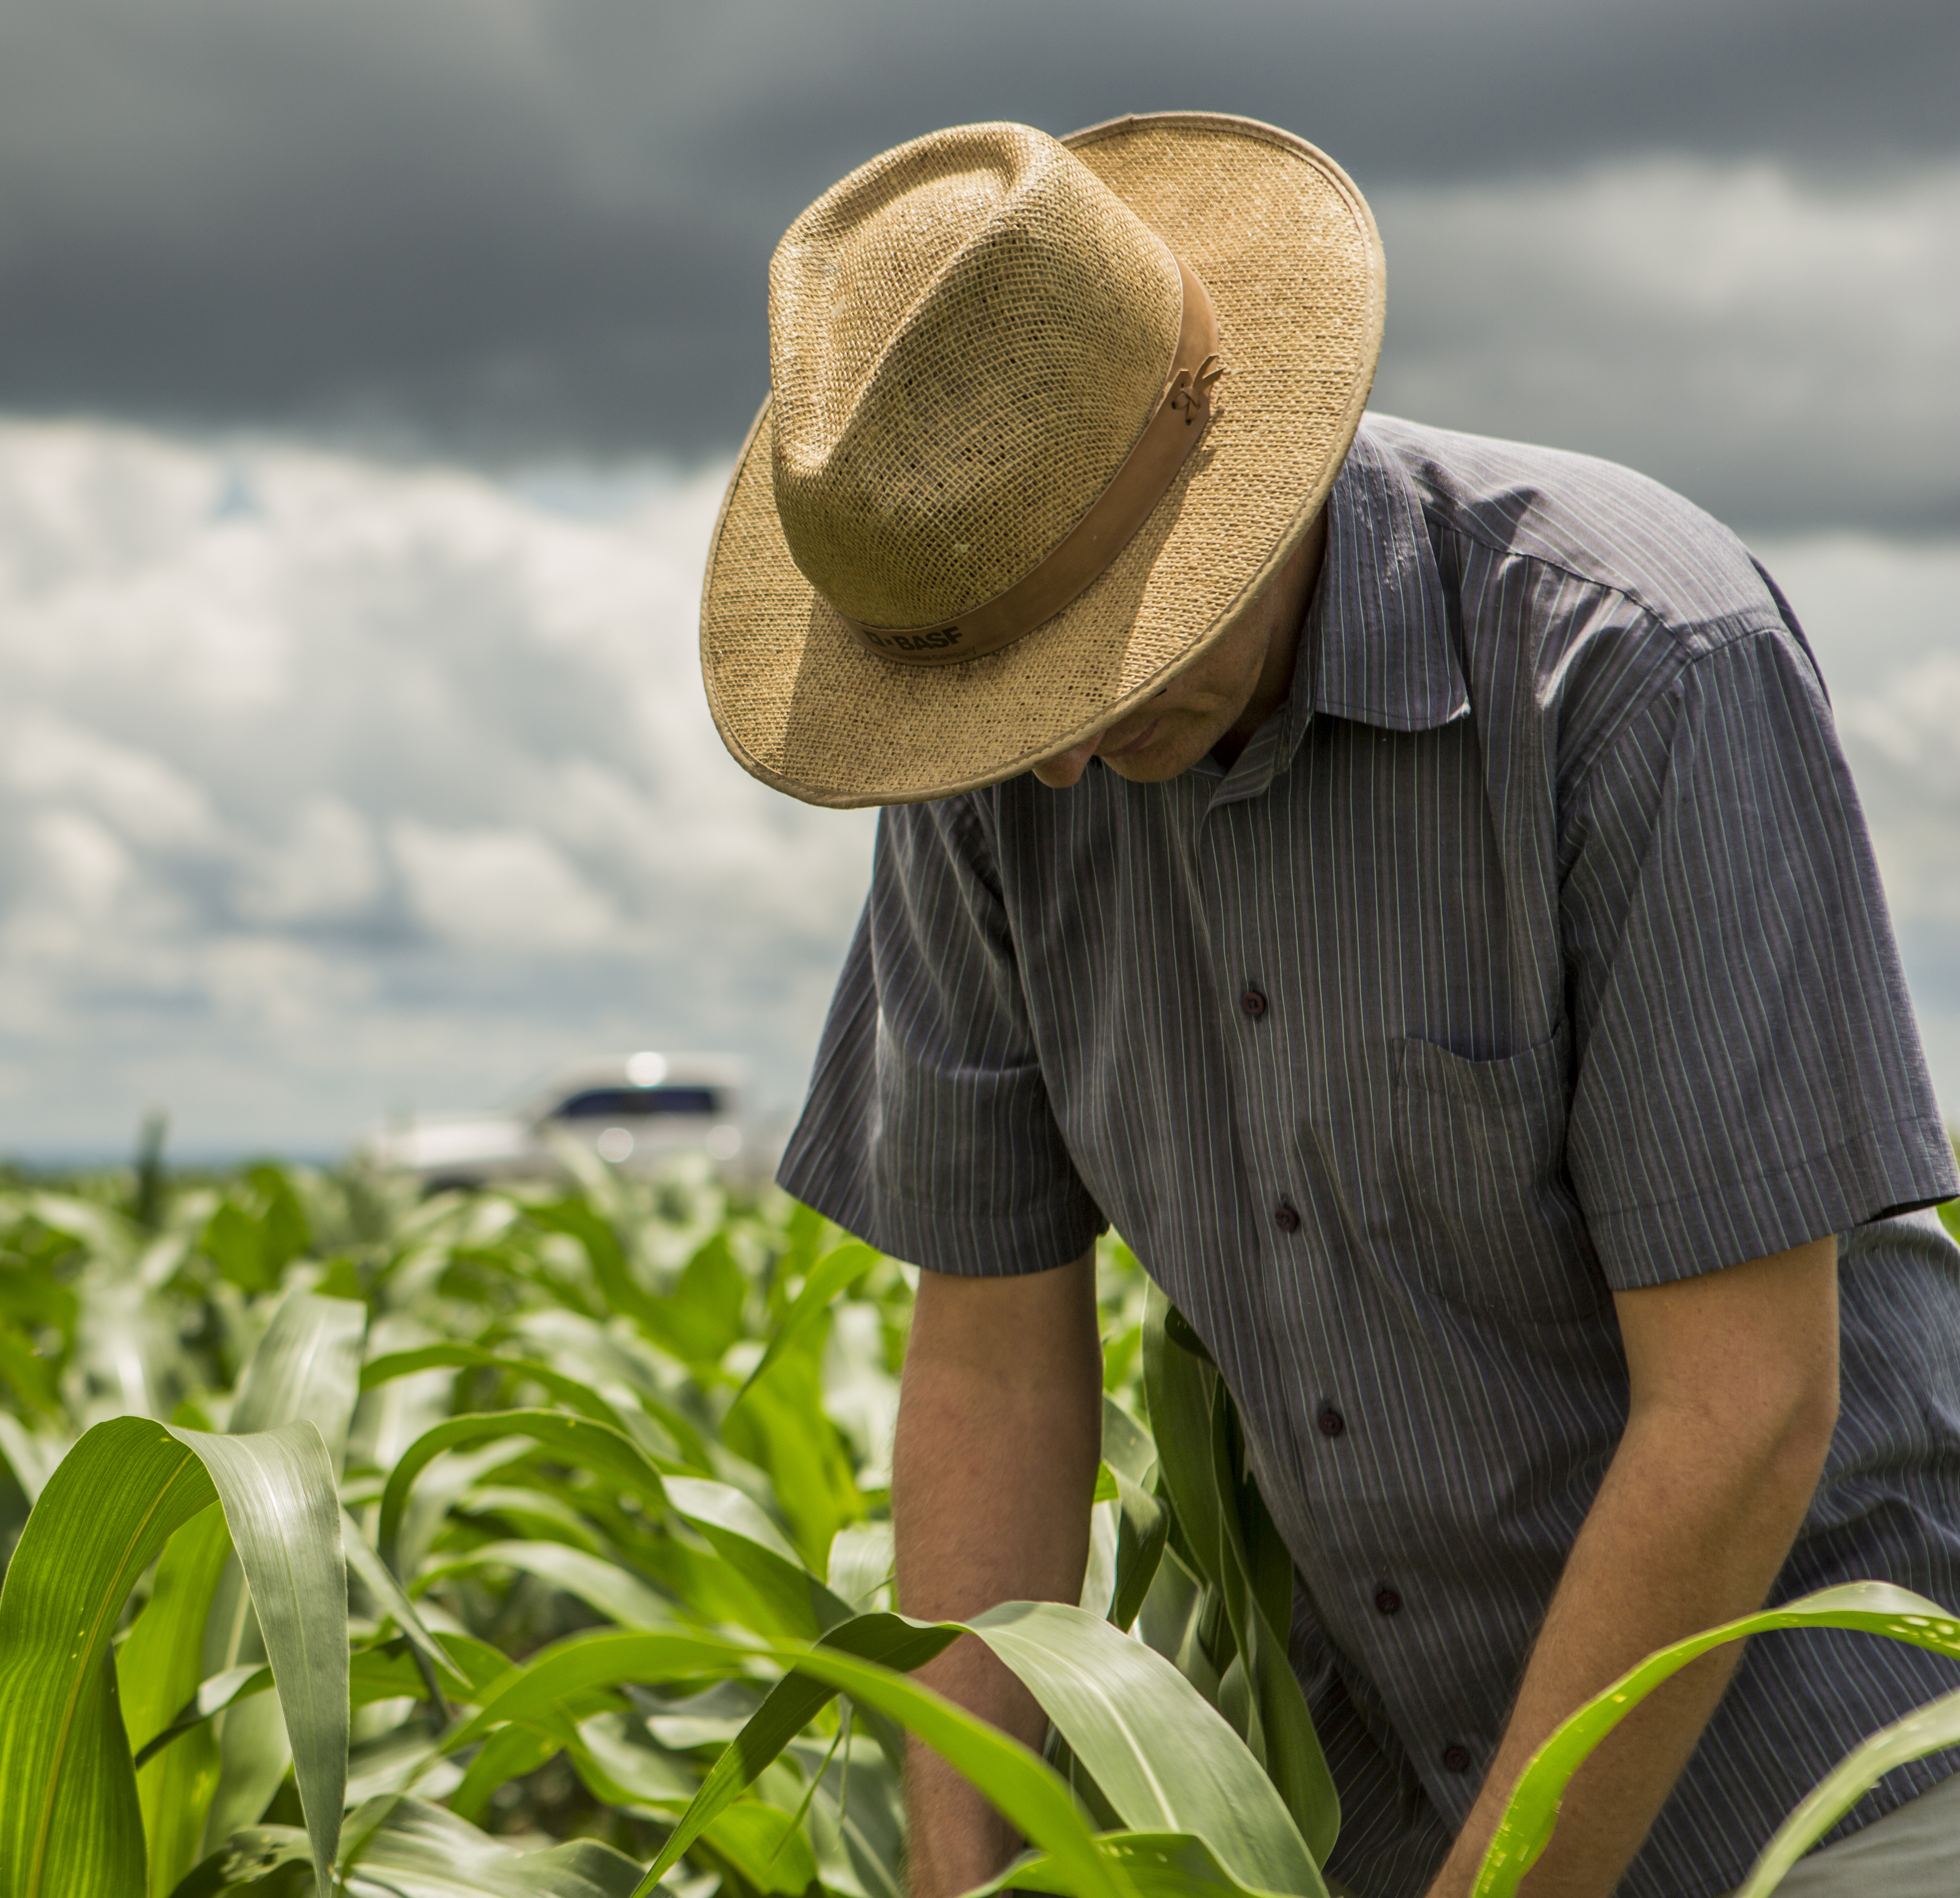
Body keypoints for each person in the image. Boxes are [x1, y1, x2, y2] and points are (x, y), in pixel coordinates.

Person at [697, 113, 1960, 1898]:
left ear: (1223, 478)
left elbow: (1744, 1404)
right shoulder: (995, 770)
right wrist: (959, 1870)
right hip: (1381, 1783)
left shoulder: (1635, 665)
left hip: (1832, 1770)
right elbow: (990, 1360)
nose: (1051, 760)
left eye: (1095, 660)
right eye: (1003, 697)